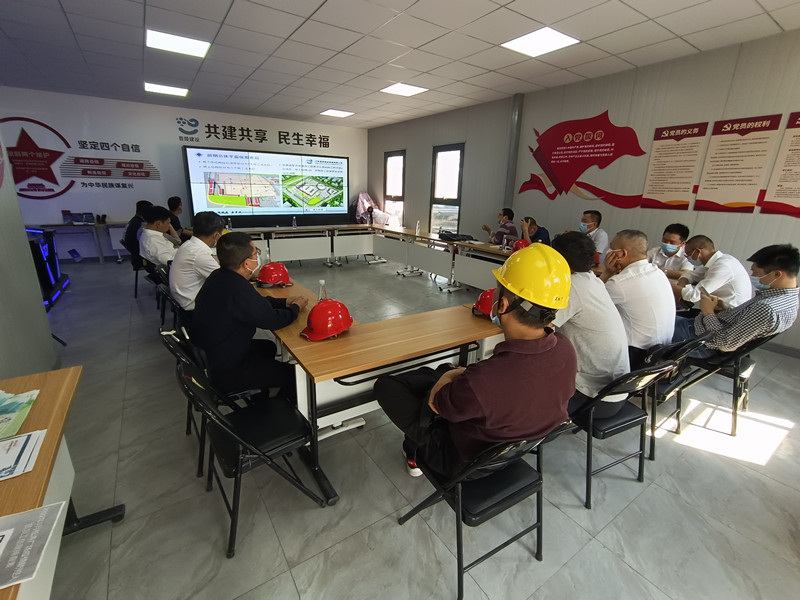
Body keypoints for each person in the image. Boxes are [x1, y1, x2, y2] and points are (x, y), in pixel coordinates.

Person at [374, 244, 577, 478]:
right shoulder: (565, 349)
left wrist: (449, 375)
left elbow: (437, 403)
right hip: (511, 451)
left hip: (464, 463)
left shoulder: (486, 380)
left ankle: (414, 450)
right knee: (441, 373)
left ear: (502, 305)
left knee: (387, 386)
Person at [191, 232, 308, 397]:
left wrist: (284, 302)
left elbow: (255, 303)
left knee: (268, 347)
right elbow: (272, 320)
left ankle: (261, 393)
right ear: (247, 263)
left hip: (215, 354)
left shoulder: (220, 276)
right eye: (255, 253)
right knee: (294, 375)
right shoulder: (237, 288)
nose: (257, 257)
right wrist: (295, 308)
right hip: (228, 370)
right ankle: (283, 407)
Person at [551, 232, 630, 418]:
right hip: (615, 393)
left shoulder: (570, 286)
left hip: (593, 399)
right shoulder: (592, 280)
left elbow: (539, 327)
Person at [673, 244, 799, 358]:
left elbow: (725, 344)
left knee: (660, 324)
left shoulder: (767, 308)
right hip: (702, 330)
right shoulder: (788, 300)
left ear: (777, 274)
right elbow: (743, 321)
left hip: (700, 342)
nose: (752, 276)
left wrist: (708, 312)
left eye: (755, 272)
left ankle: (668, 366)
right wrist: (723, 307)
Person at [600, 229, 675, 369]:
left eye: (611, 248)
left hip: (636, 356)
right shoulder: (657, 272)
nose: (608, 252)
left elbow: (592, 301)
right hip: (661, 351)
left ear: (622, 254)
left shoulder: (619, 283)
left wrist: (607, 272)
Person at [672, 235, 752, 310]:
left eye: (688, 255)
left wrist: (671, 286)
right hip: (718, 310)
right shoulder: (713, 262)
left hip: (730, 313)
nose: (688, 258)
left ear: (697, 251)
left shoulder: (723, 266)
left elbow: (694, 296)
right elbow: (690, 275)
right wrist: (681, 285)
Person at [169, 211, 225, 312]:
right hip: (194, 306)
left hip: (184, 299)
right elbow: (226, 280)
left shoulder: (188, 245)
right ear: (216, 235)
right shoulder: (199, 255)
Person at [123, 200, 152, 264]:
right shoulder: (141, 225)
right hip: (141, 259)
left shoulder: (133, 221)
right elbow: (147, 245)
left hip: (135, 255)